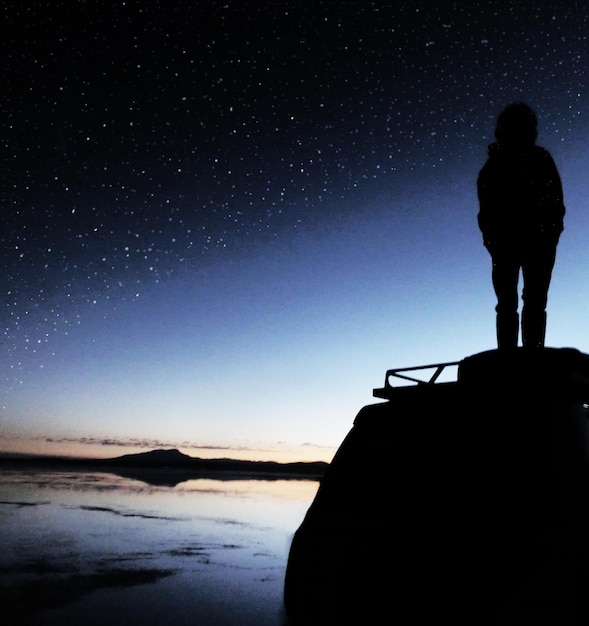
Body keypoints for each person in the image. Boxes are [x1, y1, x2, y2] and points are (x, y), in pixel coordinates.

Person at [477, 102, 565, 349]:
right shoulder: (493, 168)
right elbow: (486, 213)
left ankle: (530, 355)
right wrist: (493, 241)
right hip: (510, 244)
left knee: (531, 301)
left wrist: (551, 232)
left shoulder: (539, 159)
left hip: (537, 240)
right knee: (510, 303)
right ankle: (511, 358)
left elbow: (555, 201)